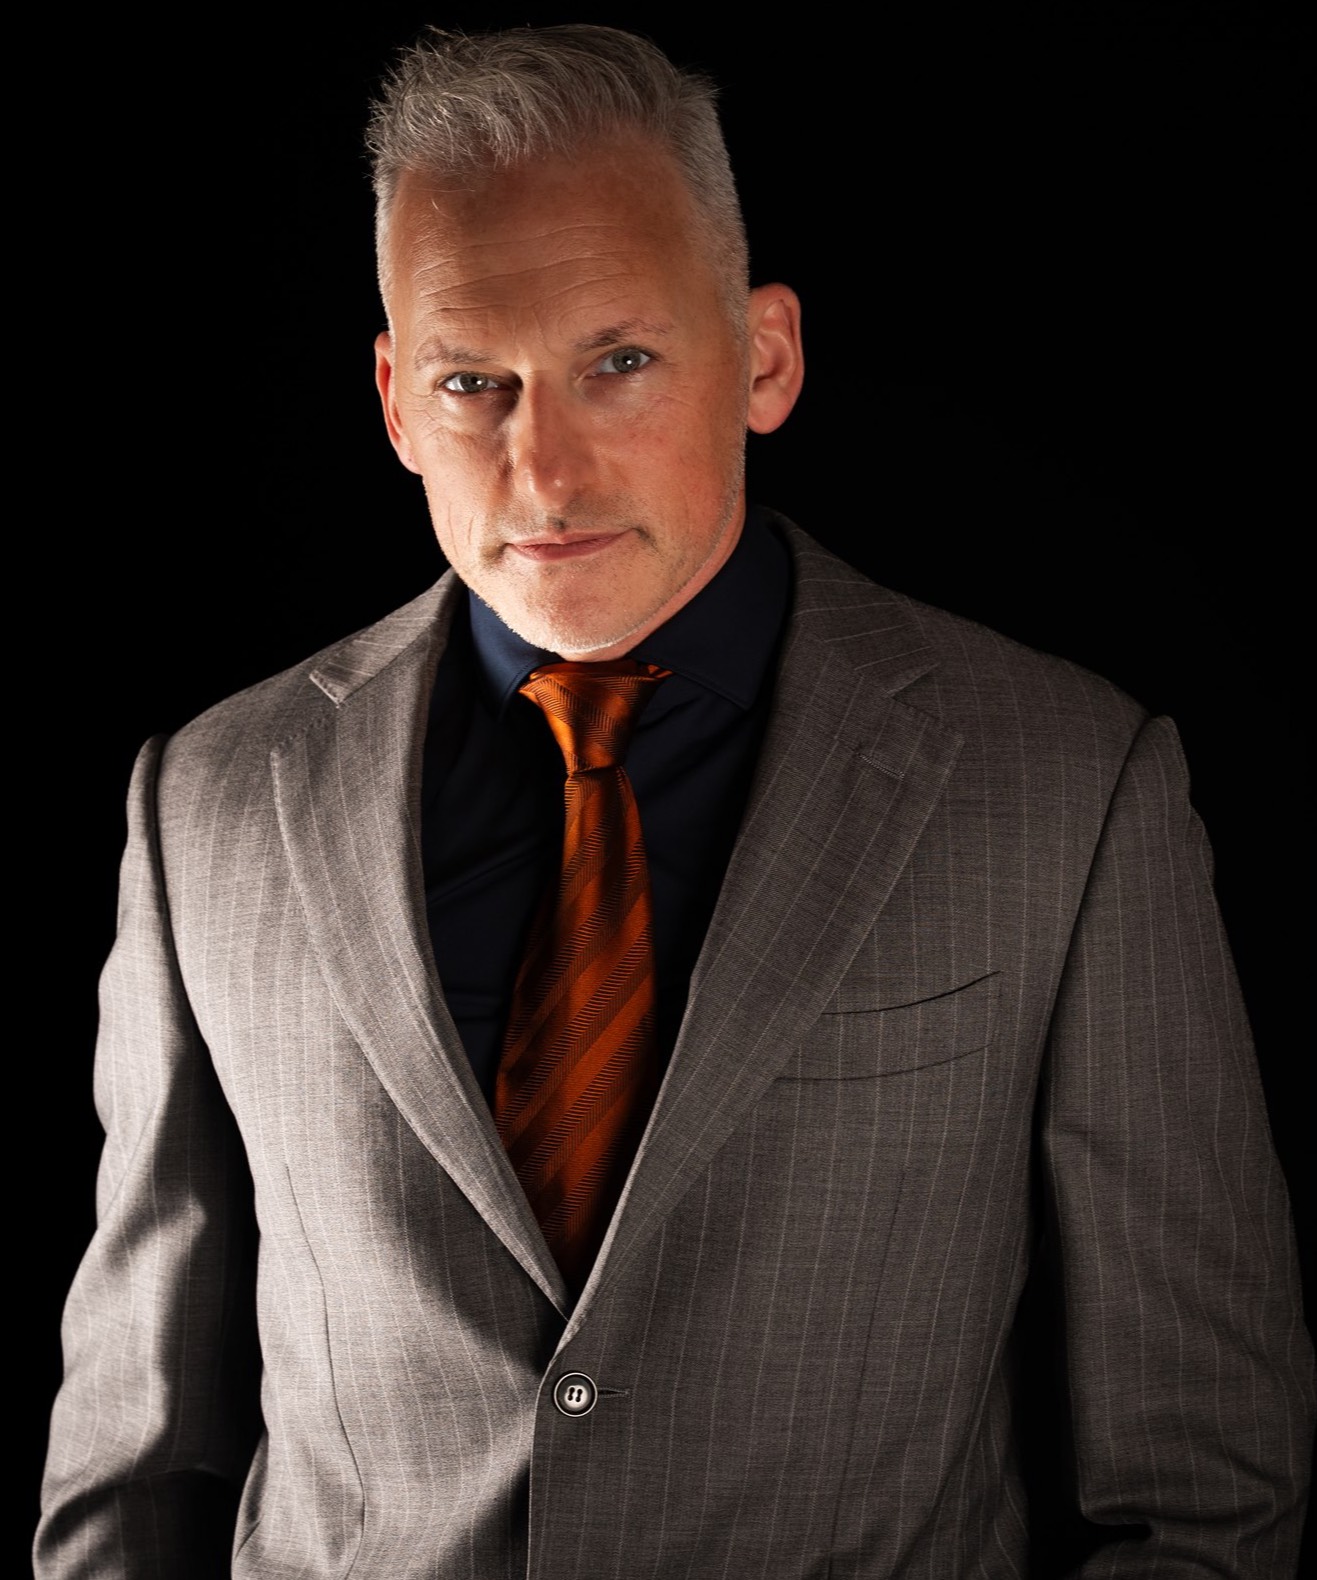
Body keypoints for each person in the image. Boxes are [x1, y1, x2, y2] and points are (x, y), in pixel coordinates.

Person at [36, 24, 1312, 1578]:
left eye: (618, 364)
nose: (543, 472)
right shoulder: (212, 805)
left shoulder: (1061, 785)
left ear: (763, 358)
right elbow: (131, 1465)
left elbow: (1202, 1492)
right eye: (472, 383)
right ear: (393, 401)